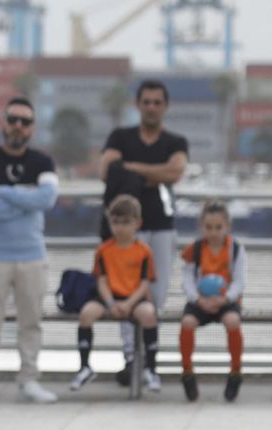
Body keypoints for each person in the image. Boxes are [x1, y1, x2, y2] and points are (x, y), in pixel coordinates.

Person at [0, 96, 59, 405]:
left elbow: (46, 200)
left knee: (31, 322)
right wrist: (25, 199)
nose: (18, 126)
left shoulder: (43, 162)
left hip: (33, 256)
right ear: (4, 123)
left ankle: (29, 380)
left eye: (25, 121)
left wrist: (4, 191)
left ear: (32, 128)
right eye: (13, 119)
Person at [99, 80, 187, 387]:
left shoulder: (175, 141)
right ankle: (129, 358)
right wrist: (154, 171)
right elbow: (106, 169)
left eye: (156, 102)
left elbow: (175, 172)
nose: (151, 107)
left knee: (156, 296)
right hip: (124, 234)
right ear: (138, 104)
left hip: (161, 228)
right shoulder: (119, 136)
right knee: (124, 291)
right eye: (146, 101)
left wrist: (131, 168)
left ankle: (150, 360)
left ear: (165, 106)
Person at [72, 195, 157, 392]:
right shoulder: (104, 250)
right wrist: (111, 303)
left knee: (148, 314)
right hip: (109, 297)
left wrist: (128, 304)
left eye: (126, 222)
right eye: (115, 222)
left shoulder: (144, 251)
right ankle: (84, 366)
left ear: (137, 223)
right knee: (86, 314)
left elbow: (145, 283)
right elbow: (101, 280)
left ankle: (150, 369)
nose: (120, 228)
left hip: (134, 298)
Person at [177, 199, 248, 402]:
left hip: (225, 300)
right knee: (187, 323)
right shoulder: (195, 249)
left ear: (227, 226)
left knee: (233, 321)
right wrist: (197, 299)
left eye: (218, 227)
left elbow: (239, 281)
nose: (214, 232)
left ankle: (235, 372)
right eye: (208, 227)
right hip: (200, 300)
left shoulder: (235, 249)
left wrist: (225, 299)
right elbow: (187, 279)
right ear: (201, 226)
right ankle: (187, 372)